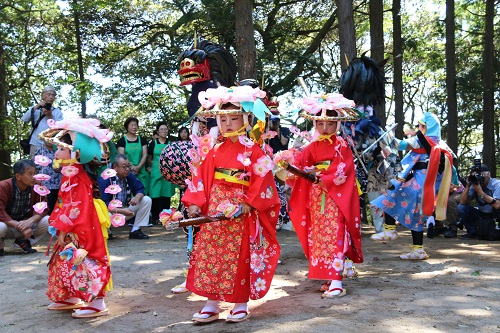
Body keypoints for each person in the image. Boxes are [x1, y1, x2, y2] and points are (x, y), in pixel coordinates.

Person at [182, 85, 280, 323]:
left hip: (240, 210)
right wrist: (195, 203)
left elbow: (264, 179)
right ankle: (212, 302)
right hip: (215, 208)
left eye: (233, 118)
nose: (227, 124)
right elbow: (201, 179)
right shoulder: (214, 151)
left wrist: (250, 202)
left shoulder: (254, 150)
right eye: (222, 119)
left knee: (239, 255)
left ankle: (239, 302)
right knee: (211, 253)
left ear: (245, 119)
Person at [278, 93, 363, 298]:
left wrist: (325, 178)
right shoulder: (312, 146)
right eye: (320, 123)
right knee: (319, 236)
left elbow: (344, 169)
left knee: (335, 234)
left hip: (335, 196)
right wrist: (286, 161)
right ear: (314, 123)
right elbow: (300, 163)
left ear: (338, 124)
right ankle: (328, 276)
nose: (325, 128)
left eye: (330, 123)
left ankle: (336, 279)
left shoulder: (341, 144)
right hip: (316, 196)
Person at [40, 119, 113, 318]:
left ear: (75, 152)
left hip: (81, 229)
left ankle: (98, 302)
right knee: (66, 261)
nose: (55, 153)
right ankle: (71, 296)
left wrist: (63, 227)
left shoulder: (77, 177)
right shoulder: (70, 175)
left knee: (85, 259)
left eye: (60, 149)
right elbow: (64, 204)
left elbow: (76, 208)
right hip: (71, 228)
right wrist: (59, 226)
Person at [371, 112, 456, 259]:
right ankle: (418, 250)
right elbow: (452, 167)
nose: (418, 128)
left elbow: (399, 144)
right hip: (428, 188)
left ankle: (390, 229)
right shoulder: (442, 145)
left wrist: (385, 134)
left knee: (392, 194)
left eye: (420, 125)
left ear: (426, 127)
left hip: (416, 184)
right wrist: (454, 182)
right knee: (417, 216)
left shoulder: (422, 141)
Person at [0, 159, 49, 255]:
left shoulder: (37, 186)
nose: (34, 177)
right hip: (8, 225)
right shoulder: (3, 186)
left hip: (26, 224)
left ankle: (24, 241)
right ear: (18, 176)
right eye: (30, 174)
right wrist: (20, 225)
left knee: (47, 220)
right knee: (0, 227)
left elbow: (43, 207)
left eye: (35, 173)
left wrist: (29, 221)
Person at [98, 154, 152, 240]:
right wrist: (121, 211)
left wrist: (137, 197)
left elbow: (140, 189)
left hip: (125, 209)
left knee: (146, 199)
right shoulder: (105, 178)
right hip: (111, 212)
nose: (127, 169)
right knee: (103, 212)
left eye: (128, 166)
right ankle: (107, 231)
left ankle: (135, 230)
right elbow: (104, 204)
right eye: (124, 167)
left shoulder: (129, 176)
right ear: (115, 166)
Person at [457, 164, 500, 239]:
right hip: (481, 213)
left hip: (495, 214)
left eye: (481, 176)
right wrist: (467, 186)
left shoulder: (497, 184)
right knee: (461, 207)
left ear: (489, 174)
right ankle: (472, 232)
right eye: (476, 176)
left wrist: (480, 192)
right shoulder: (475, 185)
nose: (479, 179)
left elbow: (497, 205)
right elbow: (462, 202)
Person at [148, 122, 177, 225]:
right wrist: (150, 167)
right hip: (156, 172)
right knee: (155, 194)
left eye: (165, 129)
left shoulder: (171, 143)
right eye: (162, 129)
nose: (164, 131)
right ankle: (155, 217)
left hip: (167, 171)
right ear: (158, 131)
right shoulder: (152, 144)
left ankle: (165, 218)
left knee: (166, 195)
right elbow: (149, 157)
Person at [21, 86, 63, 156]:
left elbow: (60, 128)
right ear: (42, 96)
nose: (51, 97)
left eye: (53, 95)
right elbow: (24, 119)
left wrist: (50, 116)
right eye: (48, 94)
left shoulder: (57, 112)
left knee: (50, 165)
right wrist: (37, 106)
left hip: (50, 145)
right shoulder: (35, 109)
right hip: (35, 143)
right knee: (34, 165)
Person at [116, 117, 150, 195]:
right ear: (127, 127)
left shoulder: (142, 140)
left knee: (143, 193)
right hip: (127, 171)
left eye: (136, 125)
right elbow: (121, 156)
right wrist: (131, 167)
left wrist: (138, 167)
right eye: (132, 125)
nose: (134, 127)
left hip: (142, 171)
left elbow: (145, 154)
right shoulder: (122, 141)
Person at [33, 143, 62, 214]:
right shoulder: (40, 150)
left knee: (59, 206)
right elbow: (34, 166)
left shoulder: (60, 149)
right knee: (47, 207)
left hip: (59, 184)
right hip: (44, 185)